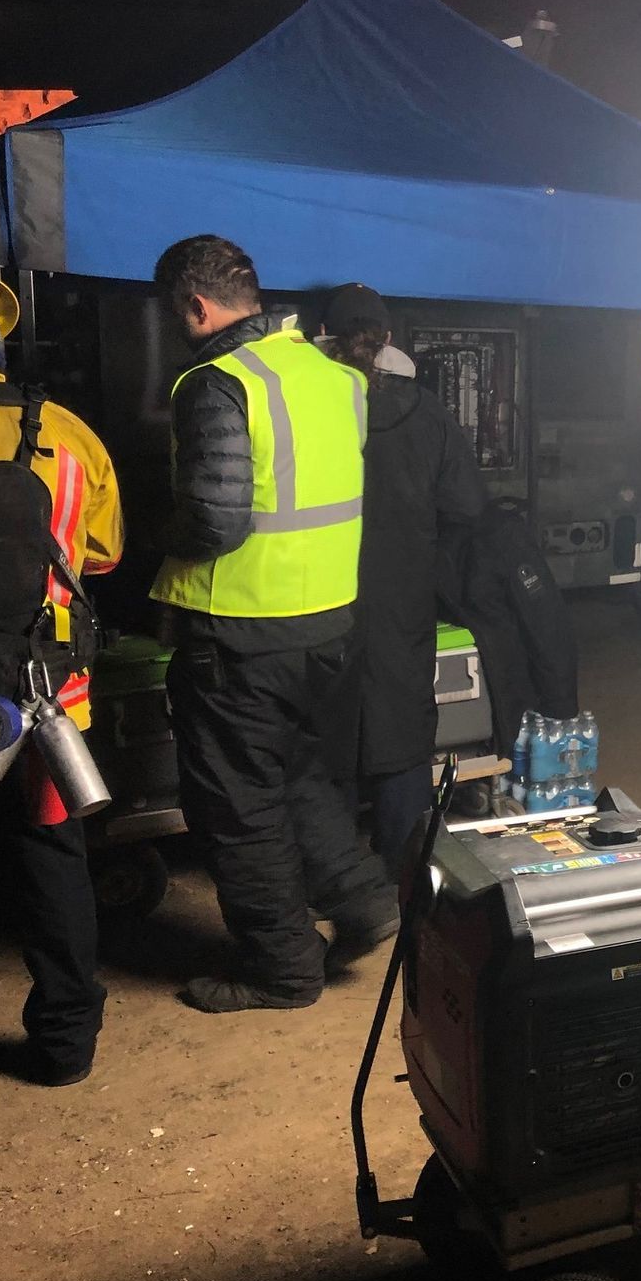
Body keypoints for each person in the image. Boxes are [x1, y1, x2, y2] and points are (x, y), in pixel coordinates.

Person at [149, 236, 396, 1012]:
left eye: (171, 312)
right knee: (298, 774)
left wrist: (157, 543)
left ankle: (283, 969)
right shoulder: (336, 377)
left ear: (195, 305)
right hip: (326, 620)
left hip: (239, 631)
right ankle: (365, 901)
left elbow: (217, 523)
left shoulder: (218, 382)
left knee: (236, 805)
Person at [0, 252, 123, 1116]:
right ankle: (65, 1049)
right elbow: (105, 554)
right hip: (53, 698)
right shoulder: (68, 430)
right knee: (55, 864)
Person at [314, 284, 486, 880]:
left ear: (325, 339)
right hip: (402, 592)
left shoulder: (310, 406)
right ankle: (402, 866)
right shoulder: (429, 412)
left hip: (319, 592)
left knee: (324, 731)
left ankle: (337, 876)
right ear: (388, 339)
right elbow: (467, 503)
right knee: (401, 723)